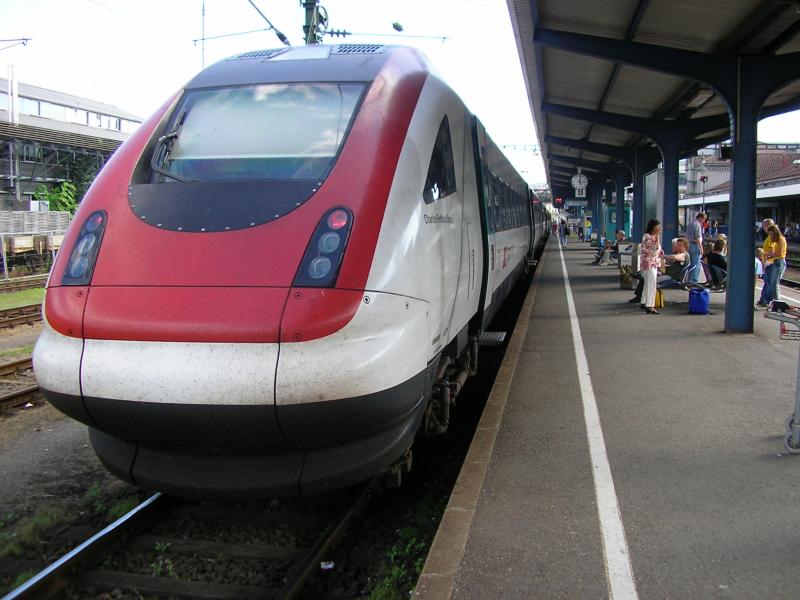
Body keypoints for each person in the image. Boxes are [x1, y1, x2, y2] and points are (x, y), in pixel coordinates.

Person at [628, 237, 689, 304]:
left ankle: (643, 298)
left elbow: (675, 257)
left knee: (648, 279)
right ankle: (639, 296)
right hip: (668, 274)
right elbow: (676, 265)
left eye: (680, 245)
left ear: (685, 247)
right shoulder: (680, 254)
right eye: (677, 245)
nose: (677, 246)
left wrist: (663, 256)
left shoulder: (684, 255)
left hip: (672, 277)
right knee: (645, 277)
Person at [757, 224, 787, 307]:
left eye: (771, 233)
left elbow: (780, 253)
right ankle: (773, 302)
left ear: (775, 232)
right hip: (775, 261)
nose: (770, 235)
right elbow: (774, 252)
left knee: (774, 283)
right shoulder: (776, 241)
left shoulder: (781, 239)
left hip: (779, 262)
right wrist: (769, 255)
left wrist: (768, 254)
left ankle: (777, 302)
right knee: (772, 283)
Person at [639, 219, 665, 314]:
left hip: (648, 263)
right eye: (658, 226)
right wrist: (657, 238)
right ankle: (650, 305)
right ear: (653, 227)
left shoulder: (647, 236)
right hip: (650, 263)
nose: (660, 228)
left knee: (647, 283)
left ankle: (644, 301)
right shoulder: (650, 237)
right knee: (652, 285)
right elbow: (654, 251)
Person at [687, 212, 706, 283]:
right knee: (696, 264)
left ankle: (689, 280)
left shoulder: (690, 223)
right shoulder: (697, 224)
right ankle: (693, 281)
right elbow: (697, 237)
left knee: (690, 264)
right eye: (704, 219)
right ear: (700, 217)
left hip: (689, 245)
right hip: (695, 245)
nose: (703, 221)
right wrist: (701, 248)